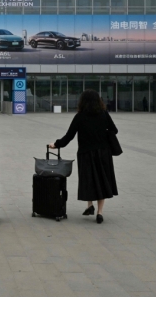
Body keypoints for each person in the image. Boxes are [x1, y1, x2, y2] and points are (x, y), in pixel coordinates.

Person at [48, 89, 118, 224]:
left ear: (83, 102)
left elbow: (69, 136)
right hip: (103, 153)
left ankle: (90, 205)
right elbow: (114, 130)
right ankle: (100, 212)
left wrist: (55, 144)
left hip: (86, 154)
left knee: (89, 180)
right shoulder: (104, 114)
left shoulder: (80, 117)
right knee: (102, 181)